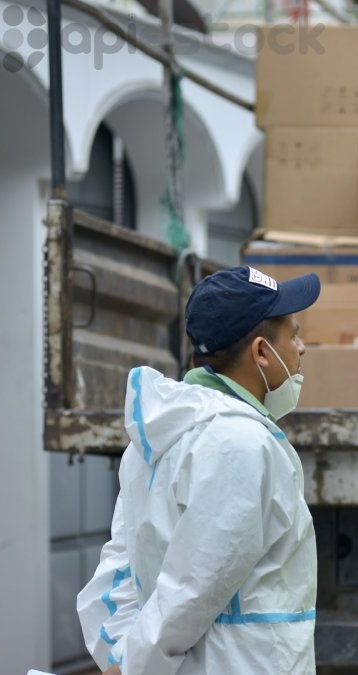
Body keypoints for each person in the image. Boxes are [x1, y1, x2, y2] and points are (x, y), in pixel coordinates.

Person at [76, 266, 322, 675]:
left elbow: (119, 569)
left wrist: (121, 656)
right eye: (293, 335)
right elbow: (192, 588)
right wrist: (135, 667)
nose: (301, 348)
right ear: (262, 352)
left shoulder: (158, 435)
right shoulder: (241, 444)